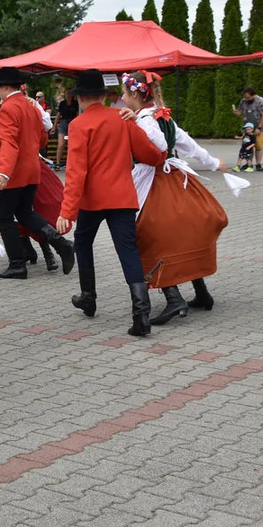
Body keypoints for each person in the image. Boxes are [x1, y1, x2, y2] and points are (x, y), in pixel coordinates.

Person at [56, 70, 166, 336]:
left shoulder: (79, 125)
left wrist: (66, 212)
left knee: (82, 243)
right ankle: (141, 314)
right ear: (104, 96)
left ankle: (88, 297)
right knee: (128, 251)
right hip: (122, 197)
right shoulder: (122, 118)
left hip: (92, 201)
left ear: (80, 98)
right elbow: (151, 155)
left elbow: (76, 172)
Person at [119, 71, 228, 325]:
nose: (122, 98)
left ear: (135, 93)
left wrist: (136, 121)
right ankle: (201, 292)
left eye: (124, 93)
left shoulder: (146, 119)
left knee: (148, 235)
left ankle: (174, 298)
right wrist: (211, 162)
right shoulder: (163, 114)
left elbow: (160, 147)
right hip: (175, 179)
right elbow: (188, 143)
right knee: (183, 236)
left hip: (153, 180)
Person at [0, 66, 74, 279]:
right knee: (25, 212)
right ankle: (61, 243)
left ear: (5, 86)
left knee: (4, 216)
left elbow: (8, 142)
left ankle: (17, 263)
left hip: (15, 172)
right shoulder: (31, 106)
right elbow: (43, 138)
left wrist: (4, 172)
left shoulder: (8, 108)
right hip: (33, 170)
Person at [232, 87, 263, 170]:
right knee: (247, 144)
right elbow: (240, 112)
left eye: (248, 97)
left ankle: (258, 164)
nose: (246, 99)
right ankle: (249, 163)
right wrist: (236, 112)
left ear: (253, 95)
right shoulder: (243, 101)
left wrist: (259, 127)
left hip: (258, 126)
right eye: (245, 97)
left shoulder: (261, 101)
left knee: (258, 145)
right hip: (247, 127)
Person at [53, 89, 76, 170]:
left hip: (73, 123)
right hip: (63, 123)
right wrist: (55, 125)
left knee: (71, 144)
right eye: (67, 94)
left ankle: (71, 163)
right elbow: (58, 114)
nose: (68, 96)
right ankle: (58, 163)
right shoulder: (62, 103)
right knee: (61, 144)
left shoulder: (75, 103)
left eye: (70, 94)